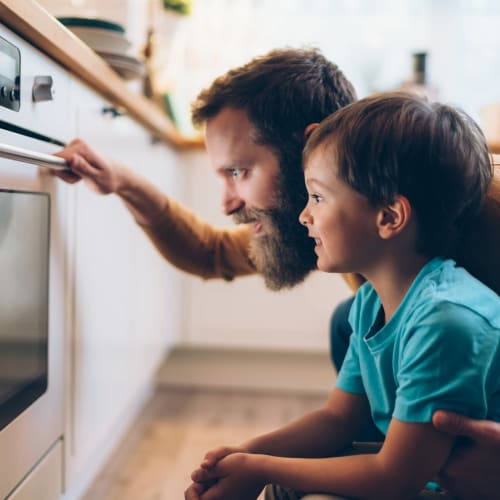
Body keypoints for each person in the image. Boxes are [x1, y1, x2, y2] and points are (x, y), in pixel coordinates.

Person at [51, 49, 500, 498]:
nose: (227, 202)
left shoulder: (477, 235)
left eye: (239, 172)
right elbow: (210, 252)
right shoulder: (353, 237)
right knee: (347, 324)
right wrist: (123, 181)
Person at [185, 92, 500, 500]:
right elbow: (338, 418)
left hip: (453, 486)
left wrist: (257, 466)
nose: (304, 215)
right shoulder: (372, 301)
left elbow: (393, 478)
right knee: (283, 484)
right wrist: (247, 454)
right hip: (419, 474)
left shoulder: (446, 322)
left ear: (389, 217)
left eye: (317, 197)